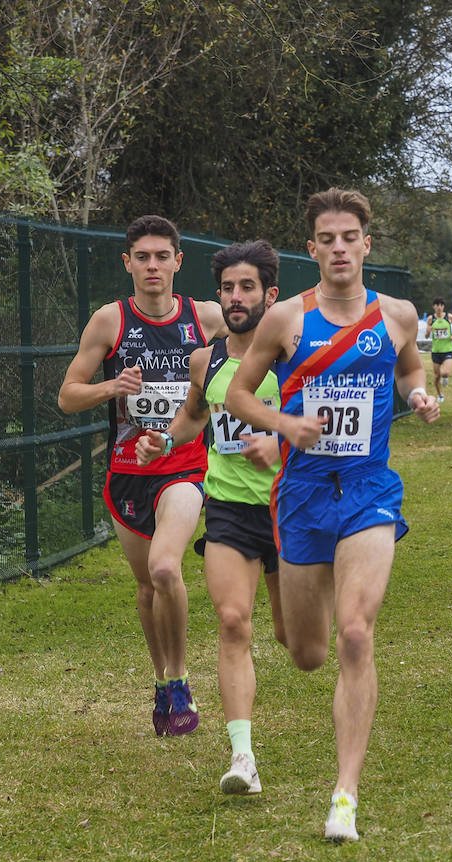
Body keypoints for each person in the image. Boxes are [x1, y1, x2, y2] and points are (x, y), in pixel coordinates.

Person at [225, 187, 440, 842]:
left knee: (355, 633)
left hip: (369, 489)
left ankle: (345, 794)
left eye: (351, 237)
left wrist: (421, 392)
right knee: (309, 652)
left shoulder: (396, 314)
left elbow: (410, 368)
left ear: (366, 245)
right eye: (329, 239)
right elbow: (237, 393)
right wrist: (286, 422)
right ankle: (295, 626)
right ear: (312, 248)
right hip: (303, 493)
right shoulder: (285, 319)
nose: (341, 248)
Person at [57, 215, 225, 736]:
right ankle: (160, 680)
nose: (153, 265)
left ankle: (180, 680)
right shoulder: (110, 321)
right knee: (147, 587)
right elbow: (67, 396)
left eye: (162, 256)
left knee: (166, 569)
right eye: (142, 257)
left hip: (185, 466)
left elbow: (251, 365)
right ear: (127, 263)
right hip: (128, 471)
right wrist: (113, 388)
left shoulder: (208, 318)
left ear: (179, 261)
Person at [135, 240, 286, 793]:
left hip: (288, 508)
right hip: (228, 507)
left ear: (270, 295)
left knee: (299, 642)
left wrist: (281, 443)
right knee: (231, 622)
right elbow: (196, 416)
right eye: (227, 288)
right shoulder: (208, 358)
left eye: (247, 287)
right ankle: (242, 757)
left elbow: (322, 416)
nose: (236, 297)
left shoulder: (293, 357)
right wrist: (163, 440)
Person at [427, 297, 452, 401]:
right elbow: (427, 336)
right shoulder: (431, 319)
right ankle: (440, 395)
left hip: (448, 349)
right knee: (436, 377)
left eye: (441, 305)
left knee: (445, 373)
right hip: (436, 351)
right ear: (433, 307)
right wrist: (428, 330)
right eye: (437, 305)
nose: (439, 307)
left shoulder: (449, 317)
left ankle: (445, 377)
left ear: (443, 306)